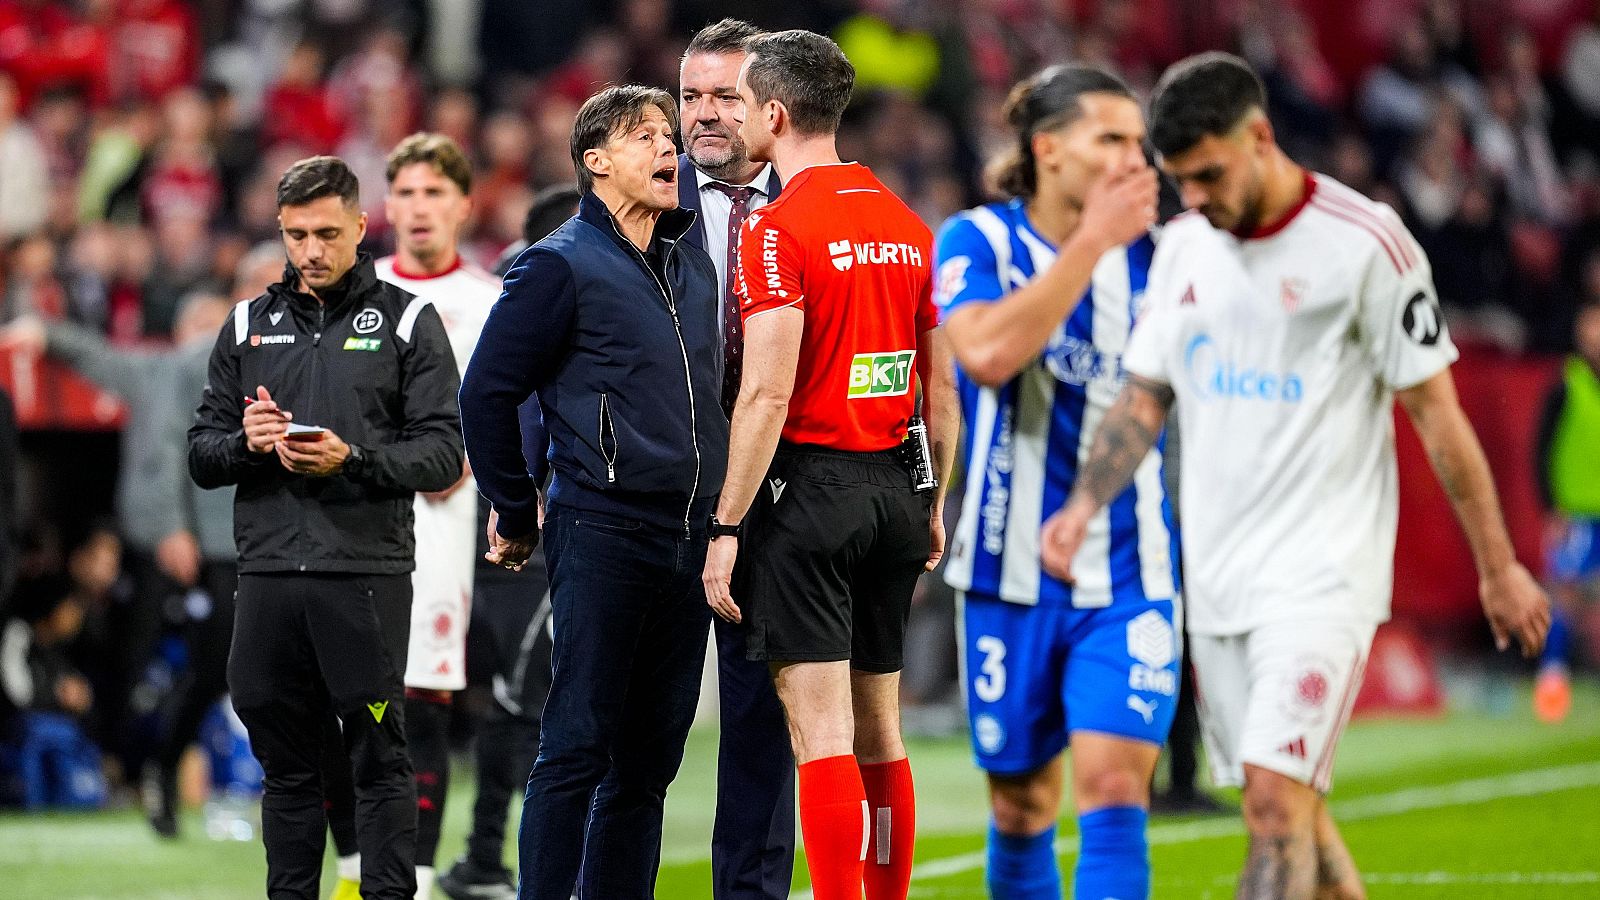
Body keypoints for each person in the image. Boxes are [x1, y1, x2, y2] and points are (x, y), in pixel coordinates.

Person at [1042, 52, 1550, 900]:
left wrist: (1497, 567)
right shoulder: (1183, 249)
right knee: (1298, 813)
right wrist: (1082, 507)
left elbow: (1441, 418)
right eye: (1180, 181)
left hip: (1321, 578)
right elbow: (1145, 395)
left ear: (1260, 137)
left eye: (1208, 175)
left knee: (1274, 807)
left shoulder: (1366, 245)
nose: (1194, 199)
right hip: (1217, 581)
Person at [702, 30, 956, 900]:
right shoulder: (907, 220)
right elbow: (940, 391)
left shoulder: (775, 229)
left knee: (821, 739)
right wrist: (934, 501)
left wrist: (727, 525)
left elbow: (766, 395)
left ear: (773, 114)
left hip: (811, 492)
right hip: (896, 487)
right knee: (882, 732)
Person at [458, 84, 725, 900]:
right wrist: (512, 505)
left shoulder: (689, 264)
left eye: (668, 137)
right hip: (604, 528)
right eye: (645, 137)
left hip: (690, 539)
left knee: (649, 763)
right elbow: (486, 391)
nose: (668, 149)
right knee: (577, 745)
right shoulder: (558, 262)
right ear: (594, 161)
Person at [188, 155, 464, 900]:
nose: (310, 251)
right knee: (287, 769)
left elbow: (443, 454)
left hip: (363, 577)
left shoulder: (408, 319)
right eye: (295, 234)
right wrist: (246, 442)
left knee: (378, 759)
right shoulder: (247, 324)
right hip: (271, 579)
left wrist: (352, 460)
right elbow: (201, 454)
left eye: (326, 234)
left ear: (359, 227)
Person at [932, 65, 1178, 900]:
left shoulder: (1163, 257)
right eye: (1110, 138)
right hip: (1006, 573)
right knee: (1022, 806)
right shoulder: (977, 241)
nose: (1131, 158)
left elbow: (1157, 402)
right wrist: (1088, 244)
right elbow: (989, 355)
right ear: (1047, 149)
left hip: (1131, 570)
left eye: (1138, 143)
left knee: (1114, 790)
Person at [319, 132, 503, 900]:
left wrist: (471, 454)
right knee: (338, 704)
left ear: (464, 204)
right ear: (382, 209)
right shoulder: (347, 297)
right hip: (345, 525)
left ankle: (418, 876)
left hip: (442, 530)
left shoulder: (492, 302)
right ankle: (356, 868)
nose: (419, 208)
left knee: (421, 699)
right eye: (406, 194)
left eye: (435, 192)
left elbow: (514, 411)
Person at [0, 291, 236, 838]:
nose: (210, 335)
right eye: (199, 322)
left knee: (229, 671)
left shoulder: (255, 377)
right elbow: (94, 355)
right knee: (148, 665)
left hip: (234, 550)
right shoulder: (156, 371)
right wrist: (45, 330)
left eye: (216, 323)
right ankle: (134, 770)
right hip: (166, 552)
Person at [675, 18, 795, 900]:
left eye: (726, 97)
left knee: (760, 721)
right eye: (691, 97)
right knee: (628, 720)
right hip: (657, 495)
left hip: (776, 496)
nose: (705, 116)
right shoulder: (639, 205)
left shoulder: (813, 208)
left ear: (771, 108)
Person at [438, 187, 576, 900]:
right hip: (539, 525)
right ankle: (510, 856)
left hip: (503, 526)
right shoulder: (560, 287)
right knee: (534, 703)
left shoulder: (505, 291)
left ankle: (492, 853)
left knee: (517, 699)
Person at [1531, 273, 1600, 723]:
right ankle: (1551, 678)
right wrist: (1550, 505)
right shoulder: (1566, 383)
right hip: (1575, 509)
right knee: (1566, 596)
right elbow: (1542, 447)